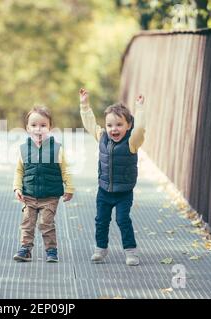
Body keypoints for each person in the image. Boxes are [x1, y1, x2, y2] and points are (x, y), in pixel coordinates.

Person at [79, 88, 146, 266]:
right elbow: (90, 124)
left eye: (118, 125)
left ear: (128, 125)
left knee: (123, 220)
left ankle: (131, 251)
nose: (113, 129)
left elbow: (140, 128)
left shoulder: (132, 142)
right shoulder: (102, 137)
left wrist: (139, 109)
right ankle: (100, 248)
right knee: (101, 220)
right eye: (109, 125)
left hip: (124, 192)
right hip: (104, 190)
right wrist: (84, 105)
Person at [13, 106, 75, 263]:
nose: (38, 129)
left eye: (43, 125)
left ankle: (51, 250)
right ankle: (25, 249)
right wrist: (17, 188)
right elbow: (19, 171)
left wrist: (69, 188)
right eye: (33, 125)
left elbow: (65, 170)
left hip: (50, 196)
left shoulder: (56, 149)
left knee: (46, 223)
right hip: (29, 194)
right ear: (27, 128)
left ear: (50, 128)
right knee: (27, 223)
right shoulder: (23, 149)